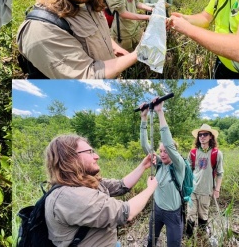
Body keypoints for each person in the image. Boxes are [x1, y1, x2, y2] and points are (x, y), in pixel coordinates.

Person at [44, 134, 158, 246]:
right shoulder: (70, 197)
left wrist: (143, 166)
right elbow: (126, 212)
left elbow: (121, 186)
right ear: (69, 158)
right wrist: (150, 188)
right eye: (89, 152)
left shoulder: (83, 182)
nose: (96, 156)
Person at [140, 99, 185, 247]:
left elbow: (168, 143)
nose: (163, 154)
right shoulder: (159, 164)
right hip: (157, 210)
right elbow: (145, 145)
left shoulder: (179, 165)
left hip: (173, 214)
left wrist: (159, 112)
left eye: (166, 151)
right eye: (161, 151)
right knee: (150, 241)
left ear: (173, 152)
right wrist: (144, 118)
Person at [186, 124, 224, 238]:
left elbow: (220, 173)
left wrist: (217, 190)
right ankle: (189, 238)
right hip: (193, 189)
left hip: (206, 190)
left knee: (203, 215)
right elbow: (188, 170)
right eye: (200, 134)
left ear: (211, 136)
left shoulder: (216, 153)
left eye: (205, 134)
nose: (202, 137)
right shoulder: (193, 152)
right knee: (190, 214)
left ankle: (201, 238)